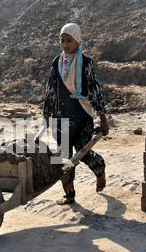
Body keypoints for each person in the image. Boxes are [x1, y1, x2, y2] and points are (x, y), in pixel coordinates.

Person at [42, 23, 109, 205]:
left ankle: (100, 170)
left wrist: (103, 117)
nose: (65, 44)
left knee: (83, 153)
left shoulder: (86, 63)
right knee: (64, 158)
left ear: (77, 40)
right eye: (62, 40)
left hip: (81, 114)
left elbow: (94, 90)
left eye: (69, 40)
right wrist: (46, 114)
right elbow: (51, 89)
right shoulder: (57, 62)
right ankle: (69, 194)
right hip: (61, 115)